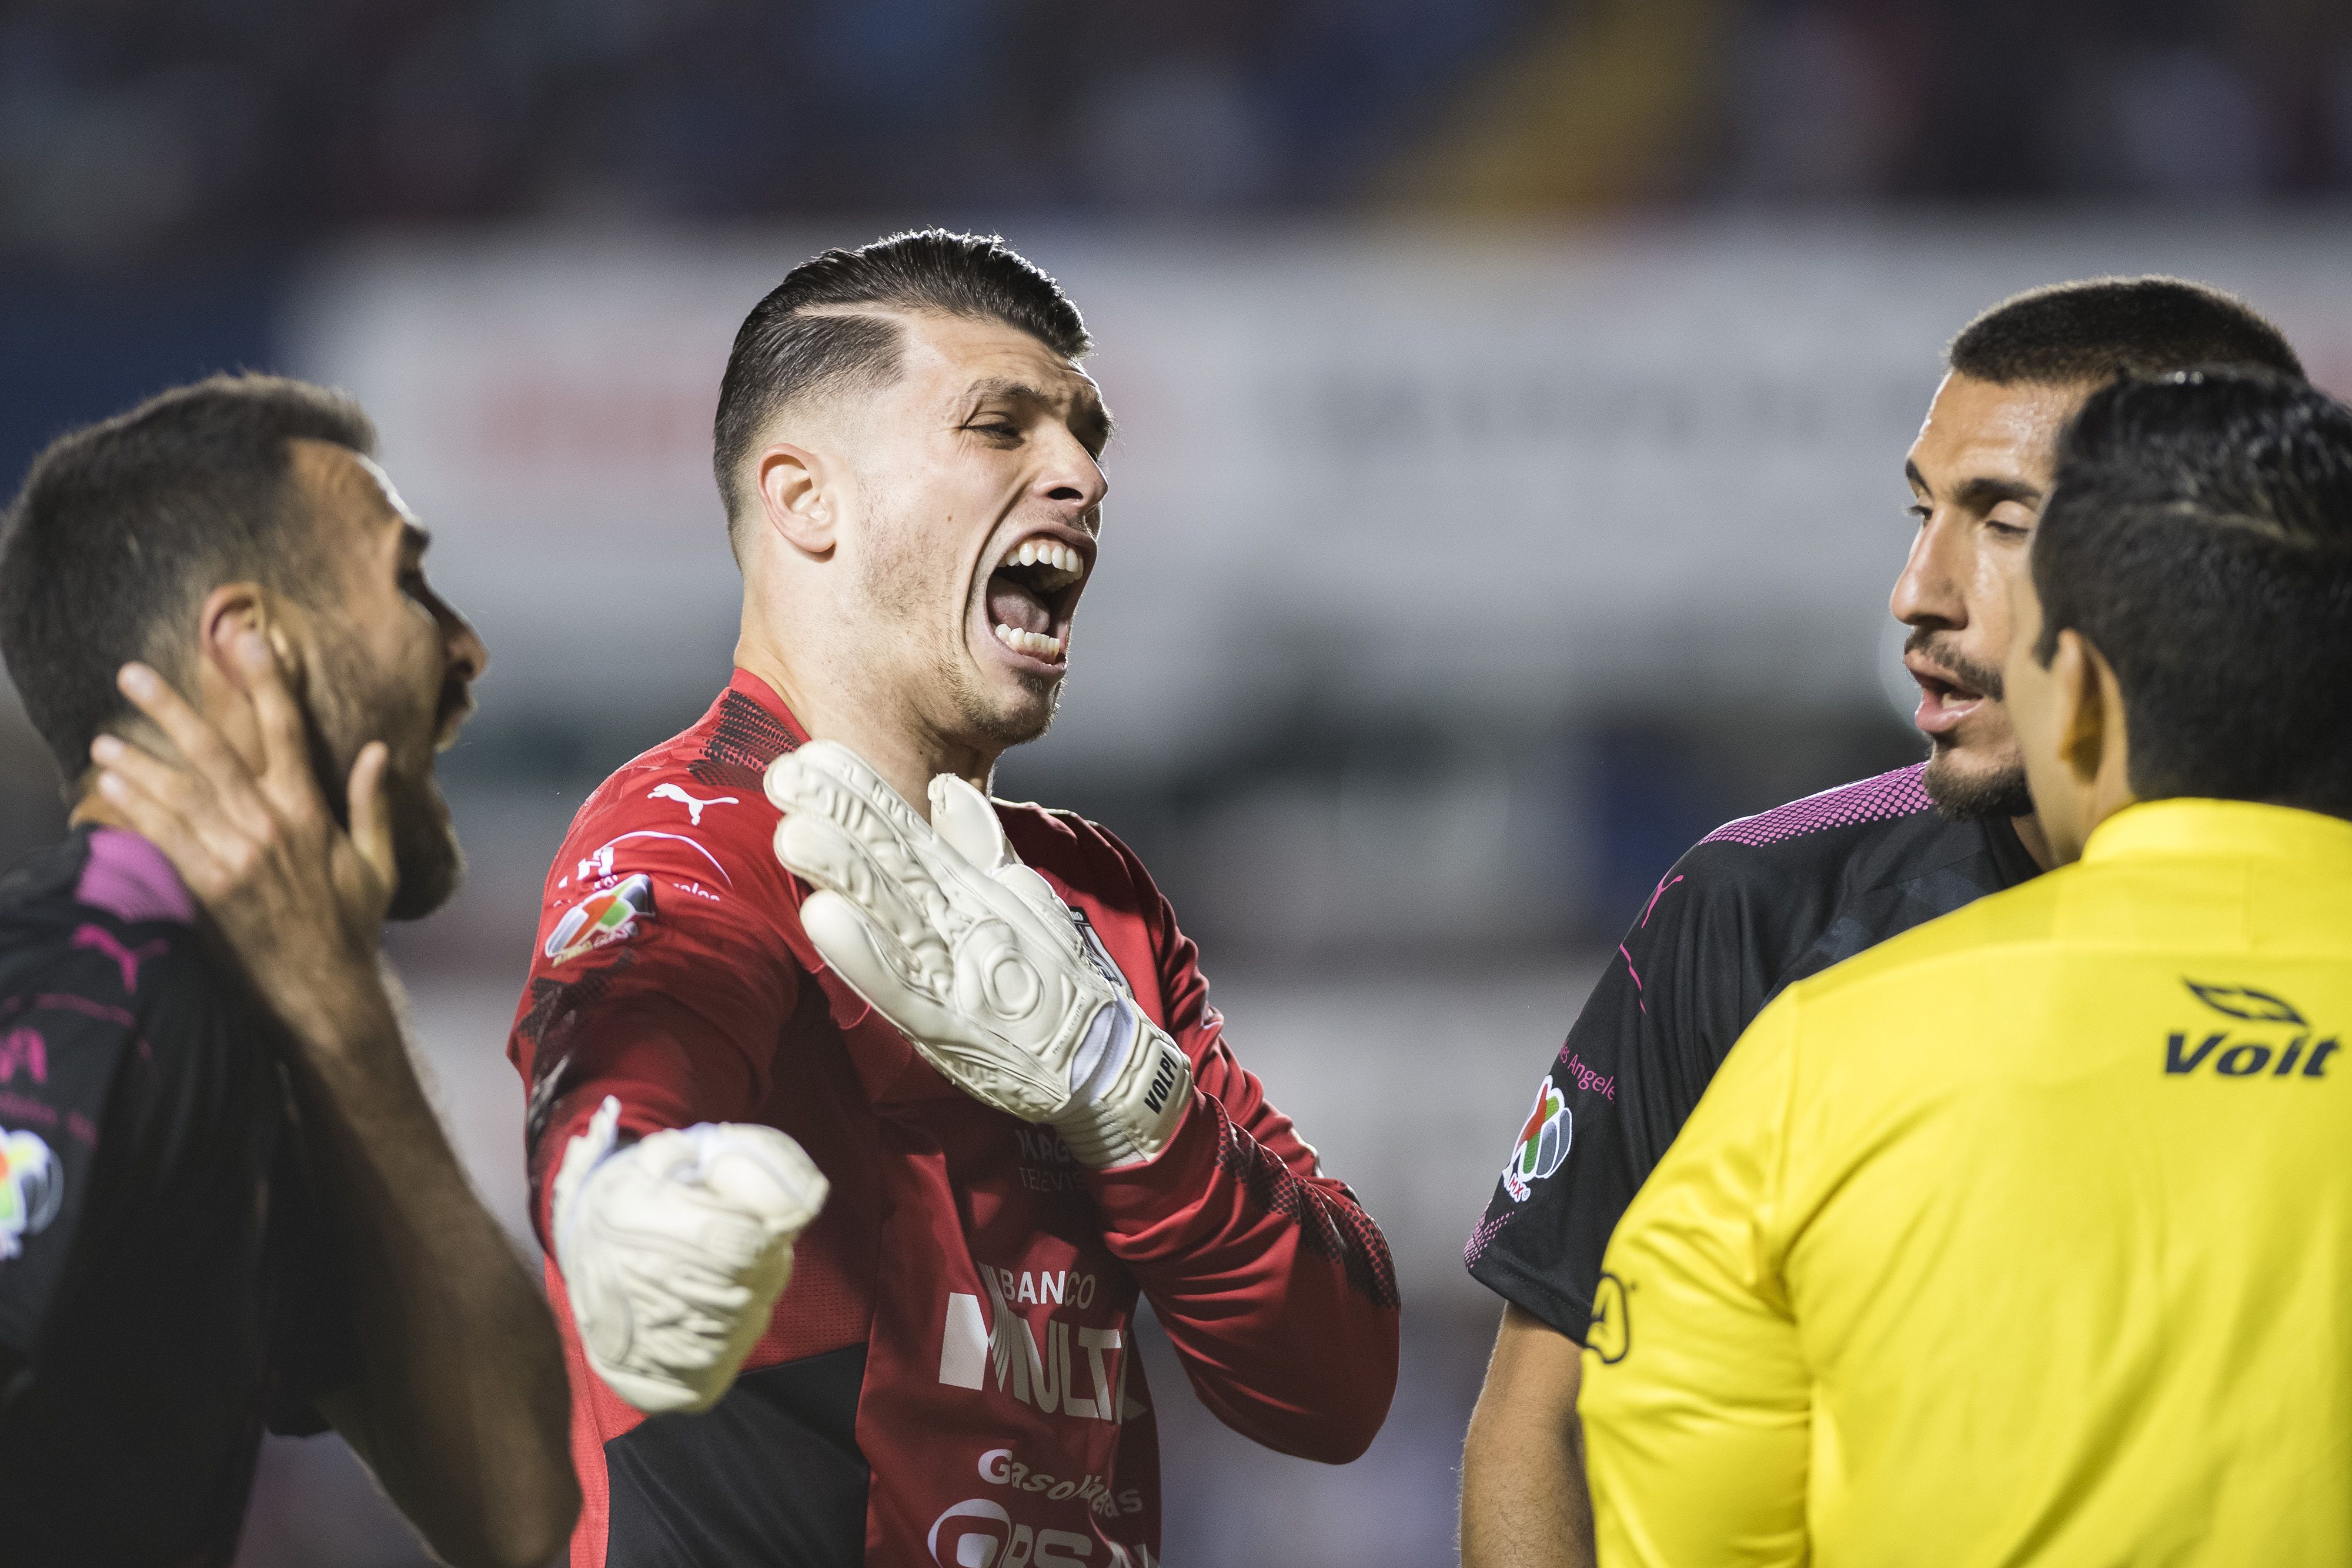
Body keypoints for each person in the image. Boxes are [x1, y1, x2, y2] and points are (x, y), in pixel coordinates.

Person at [506, 229, 1399, 1567]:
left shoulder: (1093, 899)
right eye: (1001, 425)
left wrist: (1124, 1090)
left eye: (1088, 435)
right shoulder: (691, 824)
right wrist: (615, 1190)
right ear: (807, 500)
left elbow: (1338, 1379)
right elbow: (629, 1032)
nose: (1084, 476)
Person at [1457, 276, 2307, 1566]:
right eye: (1922, 512)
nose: (1918, 590)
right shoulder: (1756, 906)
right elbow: (1545, 1425)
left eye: (2003, 519)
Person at [0, 375, 577, 1567]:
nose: (464, 645)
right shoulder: (92, 988)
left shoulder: (248, 1032)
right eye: (408, 580)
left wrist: (342, 1011)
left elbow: (536, 1519)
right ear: (253, 645)